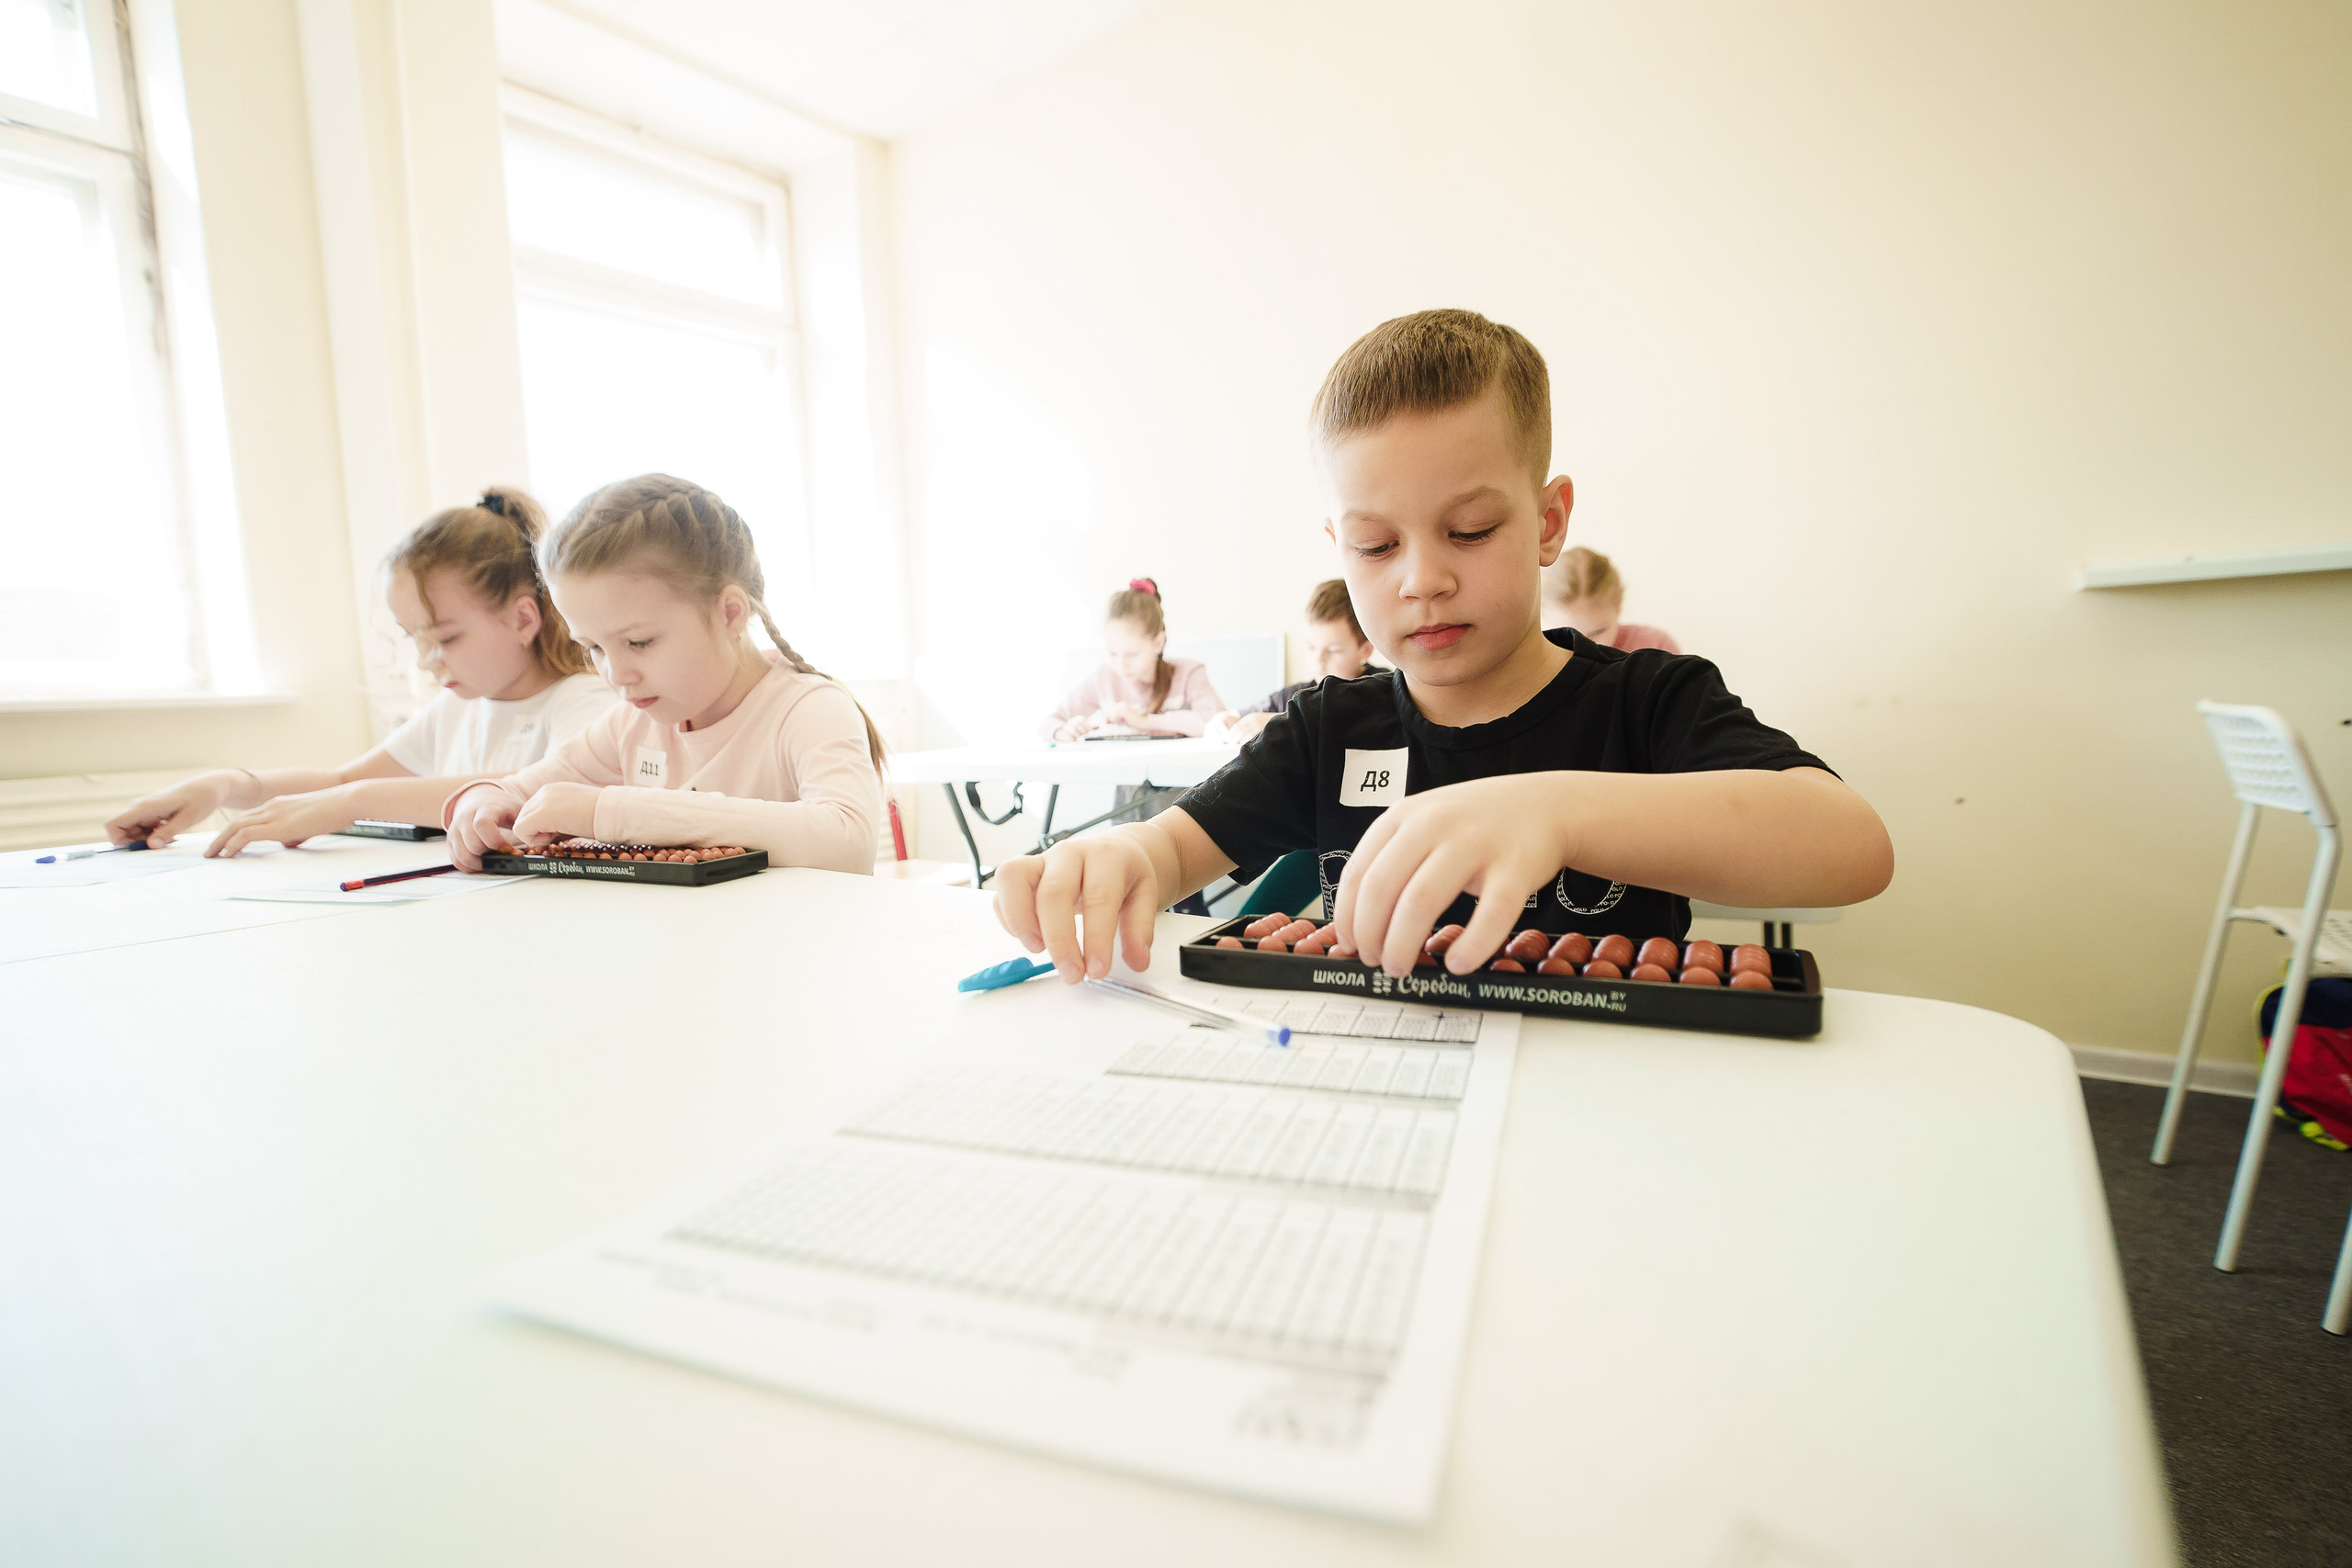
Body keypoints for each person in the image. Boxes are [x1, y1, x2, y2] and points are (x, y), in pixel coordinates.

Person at [994, 309, 1893, 979]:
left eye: (1467, 530)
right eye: (1376, 546)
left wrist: (1556, 813)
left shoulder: (1647, 701)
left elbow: (1852, 846)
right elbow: (1173, 852)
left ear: (1547, 523)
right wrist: (1123, 857)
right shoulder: (1326, 731)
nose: (1419, 579)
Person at [107, 488, 614, 857]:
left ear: (523, 619)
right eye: (413, 637)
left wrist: (353, 802)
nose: (426, 660)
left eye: (445, 638)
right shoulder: (455, 708)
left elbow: (537, 789)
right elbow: (341, 778)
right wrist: (221, 787)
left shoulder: (585, 701)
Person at [444, 474, 885, 874]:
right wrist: (482, 801)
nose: (617, 675)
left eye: (640, 643)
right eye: (593, 647)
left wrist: (615, 812)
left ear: (730, 613)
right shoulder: (631, 723)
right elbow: (523, 789)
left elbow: (848, 842)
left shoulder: (810, 709)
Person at [1041, 579, 1225, 740]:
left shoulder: (1188, 674)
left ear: (1158, 642)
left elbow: (1219, 722)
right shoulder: (1103, 679)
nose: (1121, 665)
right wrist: (1062, 731)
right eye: (1112, 653)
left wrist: (1144, 721)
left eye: (1131, 654)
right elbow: (1051, 721)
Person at [1206, 578, 1384, 743]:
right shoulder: (1294, 696)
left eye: (1333, 650)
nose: (1318, 661)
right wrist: (1225, 720)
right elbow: (1242, 715)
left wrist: (1284, 723)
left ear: (1366, 650)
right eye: (1311, 647)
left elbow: (1351, 718)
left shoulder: (1384, 687)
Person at [1542, 546, 1680, 652]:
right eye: (1568, 635)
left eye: (1597, 632)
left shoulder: (1655, 647)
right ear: (1540, 611)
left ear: (1618, 603)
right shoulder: (1534, 662)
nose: (1583, 648)